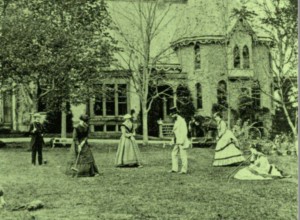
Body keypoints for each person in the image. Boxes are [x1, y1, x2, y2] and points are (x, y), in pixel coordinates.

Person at [169, 107, 190, 174]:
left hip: (181, 141)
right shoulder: (176, 121)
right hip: (177, 141)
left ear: (176, 114)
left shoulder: (181, 121)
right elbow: (175, 132)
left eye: (172, 115)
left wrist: (181, 141)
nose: (171, 116)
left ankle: (184, 170)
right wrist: (173, 140)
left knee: (183, 155)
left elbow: (184, 132)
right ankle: (174, 169)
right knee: (173, 154)